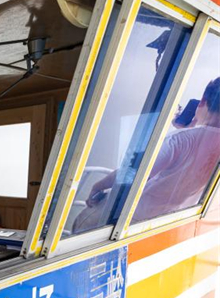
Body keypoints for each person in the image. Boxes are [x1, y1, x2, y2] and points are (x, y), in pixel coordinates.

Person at [78, 76, 220, 229]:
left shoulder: (180, 140)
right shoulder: (189, 138)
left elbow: (132, 172)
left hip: (131, 216)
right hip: (164, 222)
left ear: (203, 100)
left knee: (80, 225)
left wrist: (98, 186)